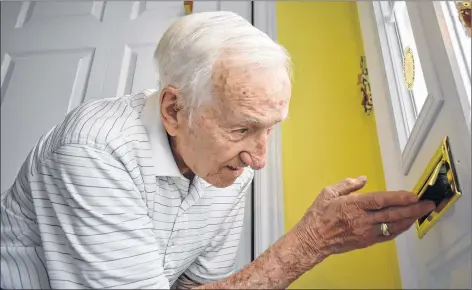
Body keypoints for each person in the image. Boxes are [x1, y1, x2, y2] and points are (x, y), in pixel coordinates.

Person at [0, 11, 435, 289]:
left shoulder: (230, 170)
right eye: (242, 128)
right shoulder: (93, 151)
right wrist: (310, 242)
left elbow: (194, 286)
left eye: (270, 129)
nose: (258, 159)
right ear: (174, 109)